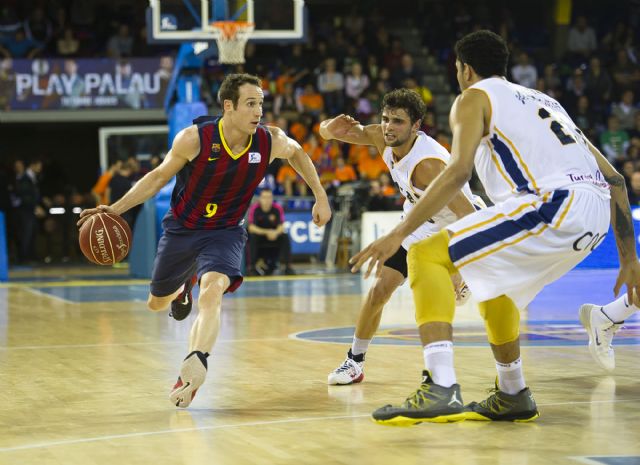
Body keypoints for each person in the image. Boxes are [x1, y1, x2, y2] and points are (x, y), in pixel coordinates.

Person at [351, 30, 637, 425]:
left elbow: (458, 173)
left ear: (465, 70)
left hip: (552, 204)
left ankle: (440, 386)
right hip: (593, 219)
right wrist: (629, 259)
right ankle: (513, 393)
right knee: (493, 284)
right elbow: (616, 180)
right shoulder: (547, 102)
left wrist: (398, 233)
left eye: (457, 69)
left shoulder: (473, 97)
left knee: (425, 254)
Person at [78, 73, 331, 408]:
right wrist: (115, 209)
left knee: (212, 291)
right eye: (250, 104)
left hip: (225, 231)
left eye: (261, 103)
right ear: (229, 106)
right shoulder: (195, 139)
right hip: (184, 228)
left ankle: (194, 365)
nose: (259, 111)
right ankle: (183, 287)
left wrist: (320, 195)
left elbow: (298, 153)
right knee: (156, 303)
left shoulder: (269, 141)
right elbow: (157, 177)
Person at [319, 88, 480, 386]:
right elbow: (330, 132)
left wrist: (460, 260)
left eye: (398, 121)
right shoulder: (381, 137)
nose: (388, 127)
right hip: (418, 222)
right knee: (379, 291)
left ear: (416, 126)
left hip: (451, 225)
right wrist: (328, 129)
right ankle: (354, 361)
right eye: (385, 118)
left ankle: (441, 372)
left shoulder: (429, 165)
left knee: (432, 296)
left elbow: (468, 213)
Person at [246, 188, 294, 275]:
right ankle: (252, 267)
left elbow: (281, 226)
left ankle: (288, 267)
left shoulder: (277, 208)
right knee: (252, 236)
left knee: (285, 236)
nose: (267, 200)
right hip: (259, 236)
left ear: (272, 198)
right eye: (264, 197)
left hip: (273, 236)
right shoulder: (254, 208)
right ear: (260, 198)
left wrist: (275, 233)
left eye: (269, 197)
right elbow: (251, 227)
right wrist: (267, 232)